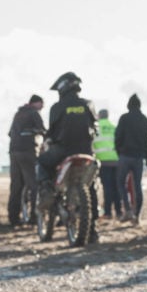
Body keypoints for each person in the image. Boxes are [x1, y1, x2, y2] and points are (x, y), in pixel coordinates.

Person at [36, 72, 99, 241]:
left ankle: (47, 190)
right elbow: (95, 127)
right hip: (86, 152)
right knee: (90, 187)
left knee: (41, 163)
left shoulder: (57, 107)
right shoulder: (88, 104)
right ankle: (93, 231)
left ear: (63, 87)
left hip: (63, 151)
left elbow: (52, 133)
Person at [7, 94, 46, 227]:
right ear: (36, 103)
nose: (42, 107)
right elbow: (43, 130)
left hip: (13, 151)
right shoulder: (33, 113)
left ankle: (13, 217)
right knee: (33, 183)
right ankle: (34, 217)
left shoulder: (18, 113)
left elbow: (10, 133)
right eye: (42, 104)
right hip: (27, 150)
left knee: (16, 185)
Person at [115, 93, 147, 224]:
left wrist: (119, 152)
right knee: (138, 186)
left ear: (128, 105)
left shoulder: (124, 118)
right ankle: (137, 215)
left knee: (121, 183)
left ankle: (128, 209)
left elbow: (118, 136)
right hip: (139, 157)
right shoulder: (146, 121)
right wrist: (146, 157)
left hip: (125, 155)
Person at [93, 108, 122, 220]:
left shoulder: (97, 126)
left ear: (99, 116)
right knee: (116, 186)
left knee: (107, 187)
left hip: (103, 161)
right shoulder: (113, 127)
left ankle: (108, 212)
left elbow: (93, 143)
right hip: (116, 160)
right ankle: (119, 211)